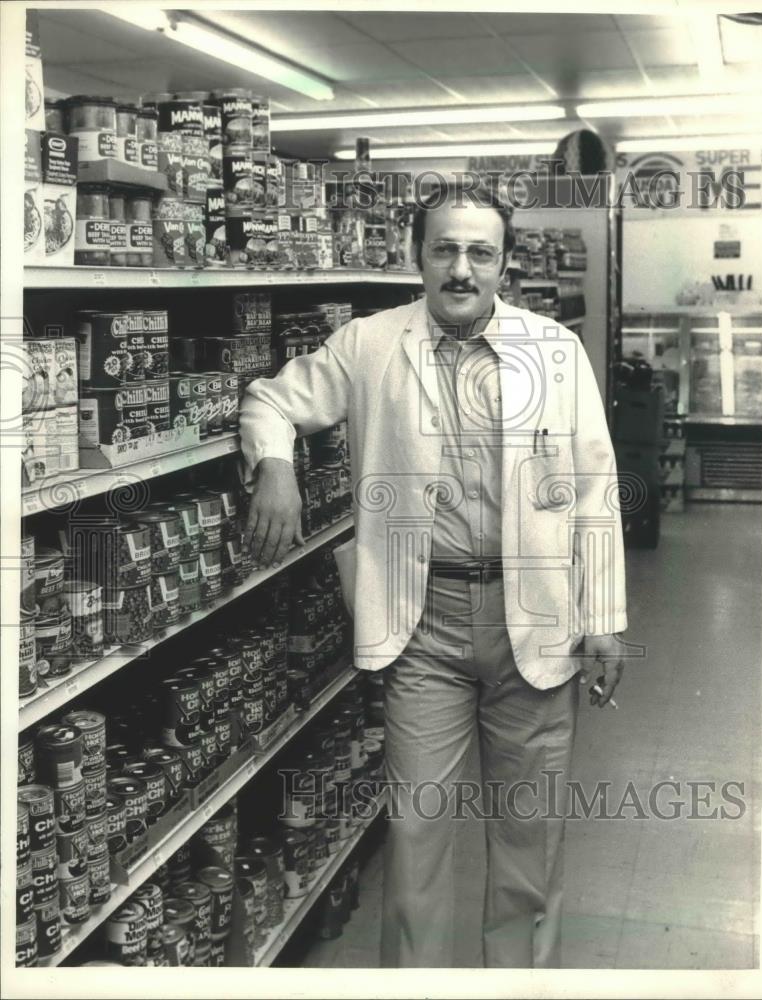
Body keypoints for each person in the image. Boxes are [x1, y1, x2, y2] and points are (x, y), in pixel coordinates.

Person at [239, 178, 627, 968]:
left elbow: (595, 485)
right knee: (416, 835)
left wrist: (605, 615)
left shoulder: (554, 351)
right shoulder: (370, 344)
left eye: (480, 252)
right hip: (424, 624)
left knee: (529, 831)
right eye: (445, 249)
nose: (461, 269)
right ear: (416, 256)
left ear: (505, 264)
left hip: (538, 615)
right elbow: (270, 401)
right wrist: (274, 465)